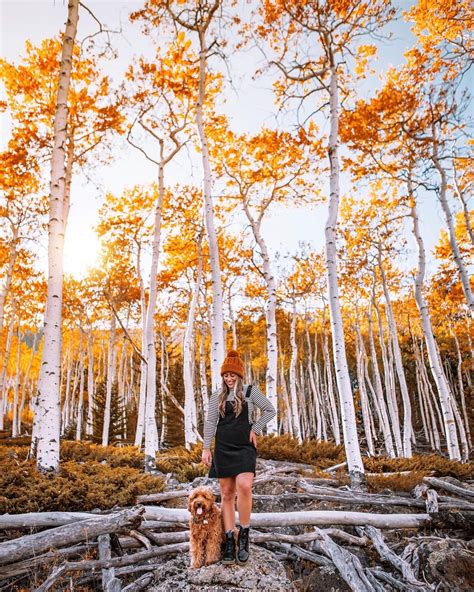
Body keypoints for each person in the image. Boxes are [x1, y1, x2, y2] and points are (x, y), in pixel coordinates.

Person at [201, 350, 277, 565]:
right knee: (226, 494)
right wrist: (206, 448)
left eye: (232, 375)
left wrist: (256, 428)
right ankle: (229, 540)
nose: (229, 378)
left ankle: (244, 536)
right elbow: (210, 423)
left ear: (240, 375)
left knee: (244, 486)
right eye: (226, 375)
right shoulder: (217, 395)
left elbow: (270, 411)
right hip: (223, 446)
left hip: (244, 446)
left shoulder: (251, 392)